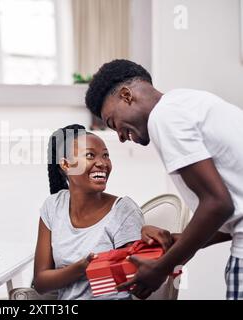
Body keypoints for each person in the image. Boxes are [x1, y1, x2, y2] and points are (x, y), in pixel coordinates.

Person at [85, 59, 243, 300]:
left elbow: (218, 204)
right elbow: (234, 215)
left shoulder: (165, 116)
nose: (120, 137)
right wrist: (177, 242)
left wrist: (163, 267)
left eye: (113, 123)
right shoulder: (188, 102)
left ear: (126, 96)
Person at [34, 124, 149, 300]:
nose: (102, 163)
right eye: (90, 155)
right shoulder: (53, 206)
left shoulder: (123, 211)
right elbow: (41, 283)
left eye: (106, 155)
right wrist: (82, 267)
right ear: (65, 164)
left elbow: (138, 282)